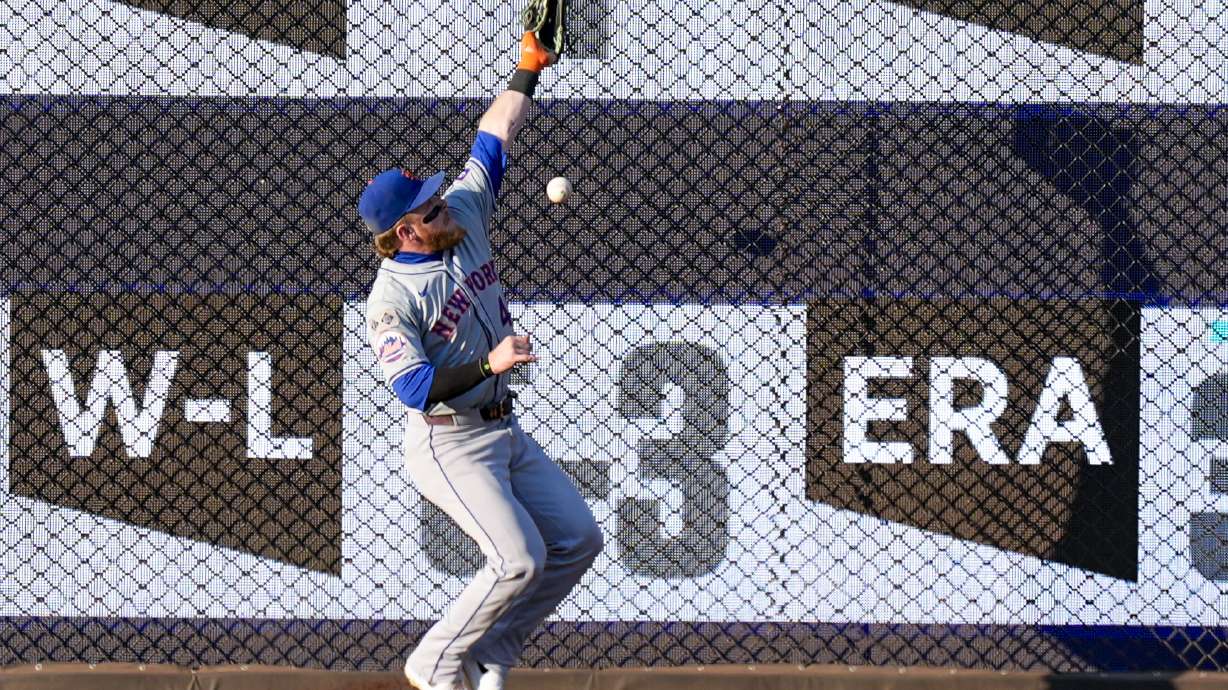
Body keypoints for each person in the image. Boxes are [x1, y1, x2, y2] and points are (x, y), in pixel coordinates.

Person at [357, 28, 604, 690]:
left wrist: (529, 67)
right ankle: (432, 665)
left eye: (437, 196)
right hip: (448, 442)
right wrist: (489, 364)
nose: (445, 203)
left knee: (577, 540)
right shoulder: (391, 300)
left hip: (501, 430)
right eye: (430, 207)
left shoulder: (462, 213)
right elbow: (413, 387)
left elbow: (493, 134)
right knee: (516, 561)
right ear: (405, 232)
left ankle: (494, 650)